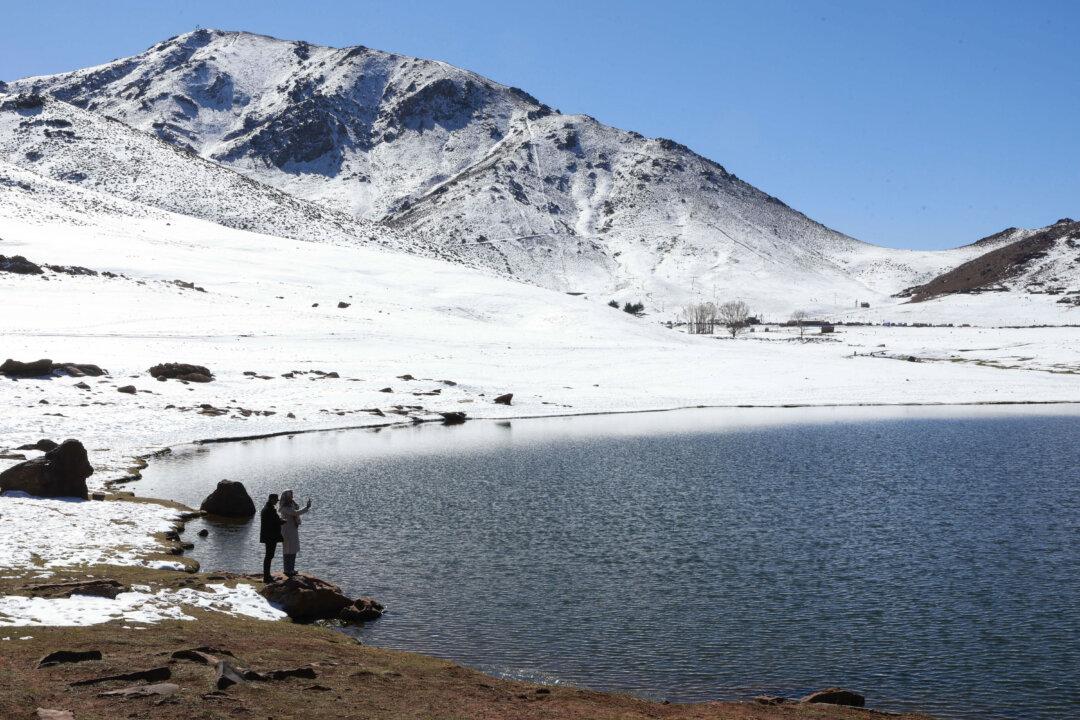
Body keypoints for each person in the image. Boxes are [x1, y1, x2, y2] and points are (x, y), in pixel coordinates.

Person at [278, 489, 312, 577]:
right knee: (287, 550)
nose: (292, 497)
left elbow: (296, 507)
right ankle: (287, 570)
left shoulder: (290, 504)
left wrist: (294, 502)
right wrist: (307, 507)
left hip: (292, 529)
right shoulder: (284, 507)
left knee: (293, 549)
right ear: (286, 497)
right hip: (287, 530)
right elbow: (295, 512)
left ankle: (291, 569)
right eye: (291, 496)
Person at [259, 493, 284, 583]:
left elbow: (273, 521)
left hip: (267, 536)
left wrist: (279, 521)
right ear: (272, 499)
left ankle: (267, 575)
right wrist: (283, 521)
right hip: (271, 536)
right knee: (269, 556)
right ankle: (267, 577)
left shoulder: (266, 509)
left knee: (269, 556)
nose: (276, 502)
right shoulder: (270, 510)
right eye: (276, 500)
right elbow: (276, 521)